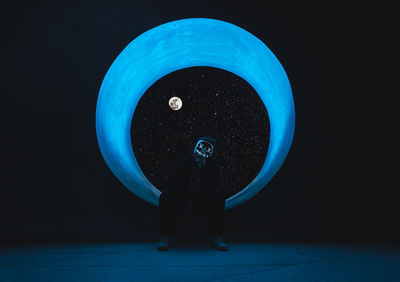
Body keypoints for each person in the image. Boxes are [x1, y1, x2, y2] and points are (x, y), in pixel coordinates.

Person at [157, 137, 228, 251]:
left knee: (218, 196)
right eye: (201, 147)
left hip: (203, 199)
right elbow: (175, 183)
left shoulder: (212, 166)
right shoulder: (185, 163)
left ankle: (216, 236)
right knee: (165, 196)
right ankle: (165, 236)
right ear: (195, 147)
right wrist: (187, 198)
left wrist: (203, 170)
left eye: (207, 149)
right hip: (183, 198)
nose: (203, 151)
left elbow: (214, 185)